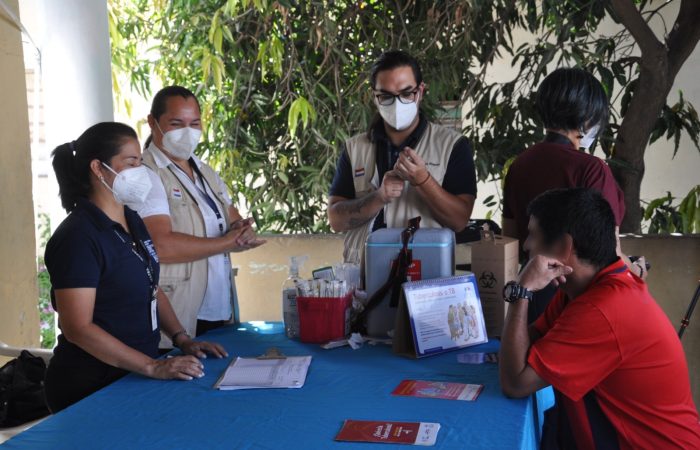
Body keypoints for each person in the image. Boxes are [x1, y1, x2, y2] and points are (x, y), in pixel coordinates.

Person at [44, 122, 228, 413]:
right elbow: (78, 327)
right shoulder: (78, 236)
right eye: (131, 163)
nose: (141, 172)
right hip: (91, 387)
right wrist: (152, 366)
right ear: (98, 168)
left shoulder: (132, 220)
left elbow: (150, 286)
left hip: (133, 376)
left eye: (141, 162)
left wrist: (181, 339)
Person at [499, 188, 700, 449]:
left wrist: (522, 291)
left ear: (564, 246)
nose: (526, 245)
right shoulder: (583, 289)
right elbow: (530, 341)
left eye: (533, 235)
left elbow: (515, 383)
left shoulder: (601, 309)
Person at [501, 67, 645, 322]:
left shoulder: (519, 165)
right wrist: (637, 269)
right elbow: (609, 253)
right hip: (576, 299)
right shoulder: (592, 169)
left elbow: (510, 239)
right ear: (587, 116)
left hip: (531, 294)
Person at [130, 86, 265, 346]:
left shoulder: (205, 171)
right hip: (177, 311)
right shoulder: (147, 173)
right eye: (176, 123)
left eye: (194, 123)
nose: (187, 132)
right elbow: (160, 245)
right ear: (152, 122)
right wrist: (227, 242)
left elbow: (233, 221)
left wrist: (243, 231)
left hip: (218, 305)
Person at [328, 50, 477, 264]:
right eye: (386, 96)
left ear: (421, 91)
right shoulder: (355, 148)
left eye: (407, 93)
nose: (397, 104)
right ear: (374, 97)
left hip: (425, 272)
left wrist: (423, 181)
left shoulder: (452, 145)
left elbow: (459, 220)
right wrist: (378, 197)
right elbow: (335, 220)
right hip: (363, 273)